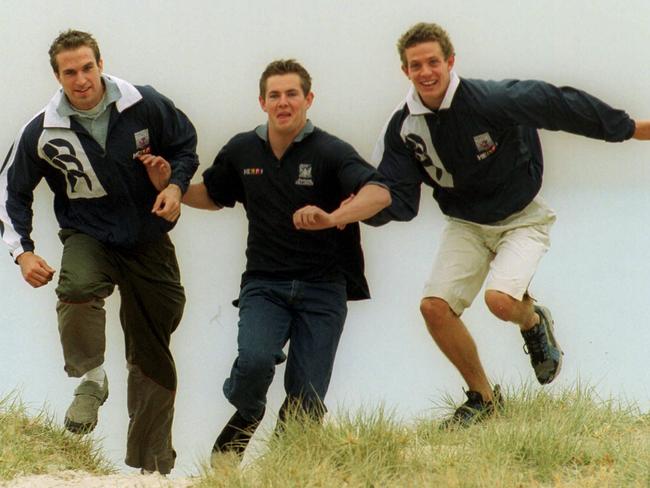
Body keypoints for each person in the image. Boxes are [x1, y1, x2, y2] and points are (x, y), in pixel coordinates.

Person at [365, 22, 650, 427]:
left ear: (450, 62)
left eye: (433, 62)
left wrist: (630, 129)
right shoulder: (403, 127)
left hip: (521, 216)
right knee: (434, 309)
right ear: (404, 71)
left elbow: (557, 104)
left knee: (500, 302)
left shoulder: (489, 100)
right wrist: (346, 215)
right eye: (415, 65)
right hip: (465, 222)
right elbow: (389, 188)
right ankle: (483, 399)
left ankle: (534, 322)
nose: (426, 72)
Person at [144, 59, 391, 459]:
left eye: (292, 93)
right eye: (274, 95)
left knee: (306, 398)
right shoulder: (243, 149)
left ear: (308, 99)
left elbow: (379, 194)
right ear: (262, 102)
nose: (283, 102)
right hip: (265, 285)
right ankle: (249, 412)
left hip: (324, 289)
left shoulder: (331, 150)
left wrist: (333, 217)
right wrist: (171, 186)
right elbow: (212, 194)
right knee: (255, 363)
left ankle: (283, 471)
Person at [0, 29, 198, 474]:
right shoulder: (42, 129)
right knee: (77, 286)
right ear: (58, 76)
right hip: (88, 233)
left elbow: (185, 144)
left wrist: (175, 185)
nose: (81, 79)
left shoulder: (143, 103)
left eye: (87, 67)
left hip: (148, 239)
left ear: (100, 64)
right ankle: (91, 377)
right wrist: (23, 253)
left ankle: (152, 467)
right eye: (70, 72)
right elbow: (9, 192)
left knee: (153, 351)